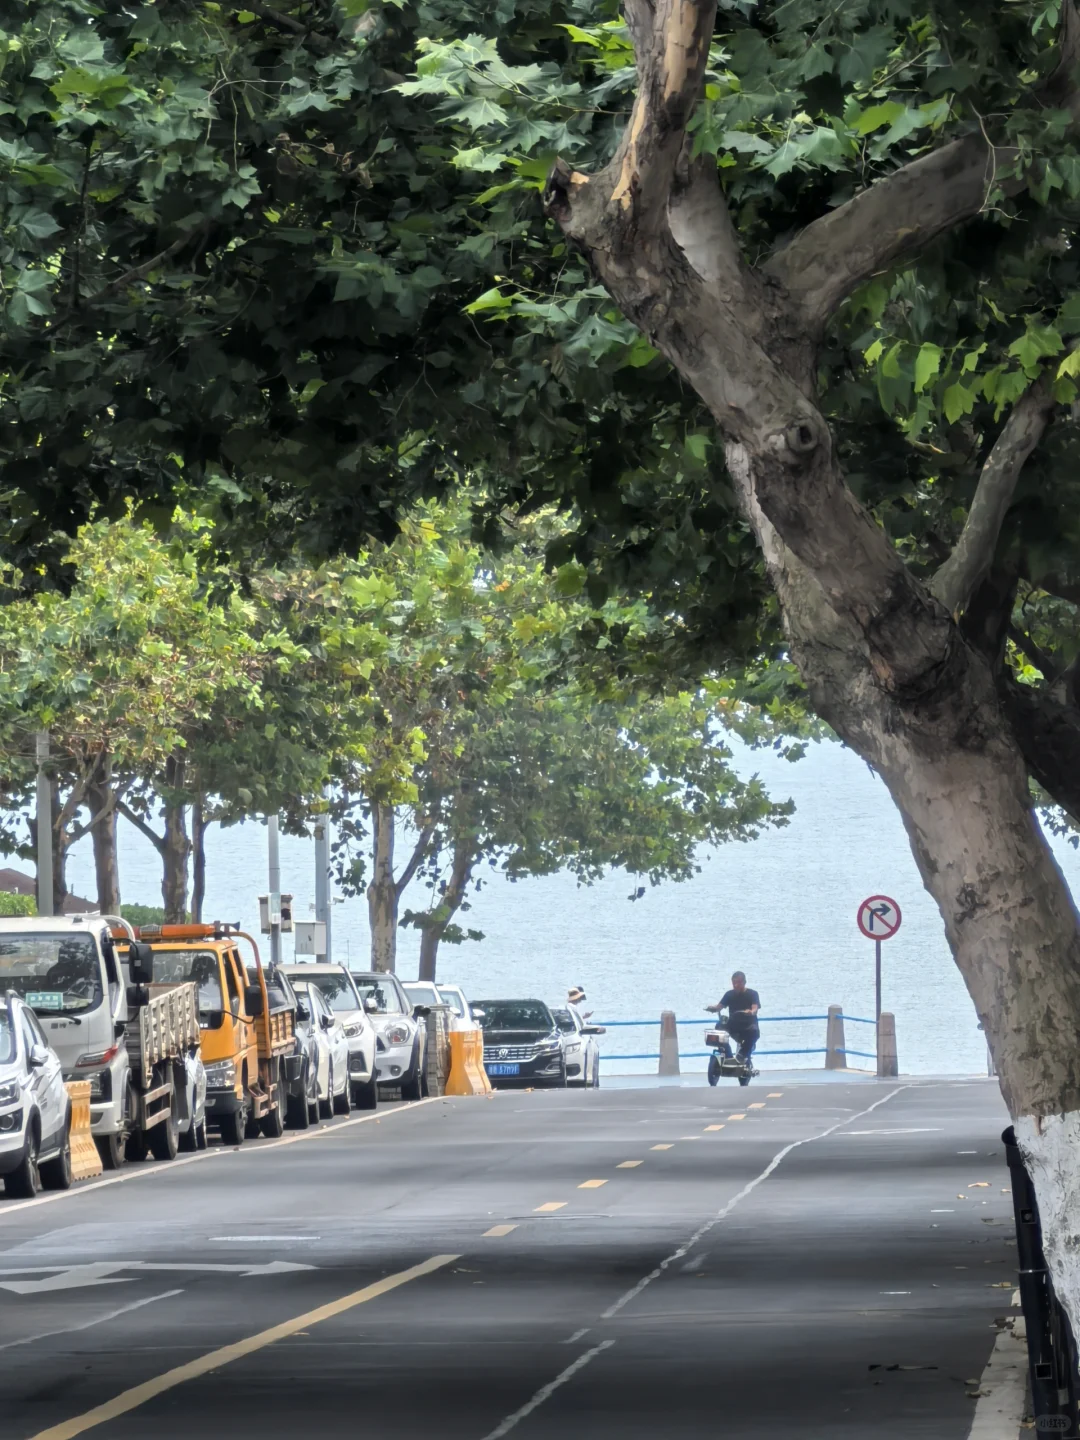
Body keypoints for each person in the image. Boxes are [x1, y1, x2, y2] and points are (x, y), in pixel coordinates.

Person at [708, 972, 760, 1060]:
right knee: (719, 1026)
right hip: (734, 1024)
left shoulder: (753, 994)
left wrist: (751, 1012)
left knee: (754, 1031)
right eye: (734, 983)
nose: (736, 985)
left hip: (748, 1025)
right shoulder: (729, 994)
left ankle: (742, 1054)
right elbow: (719, 1007)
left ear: (744, 982)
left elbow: (755, 1008)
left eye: (738, 983)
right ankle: (727, 1053)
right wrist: (713, 1008)